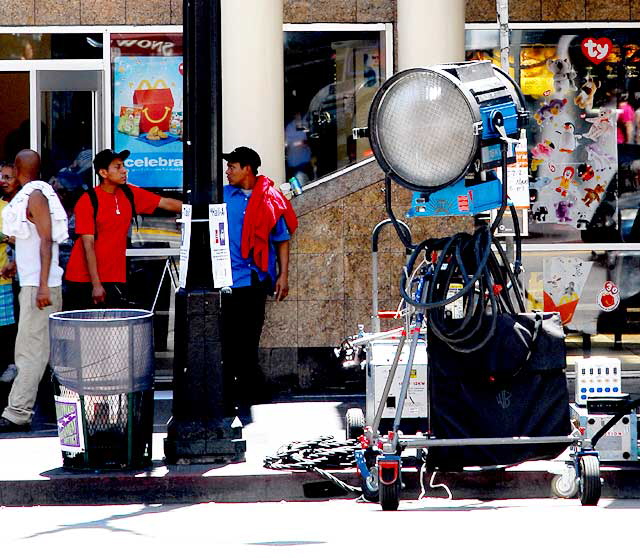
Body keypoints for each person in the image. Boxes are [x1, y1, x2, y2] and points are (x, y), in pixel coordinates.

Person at [221, 146, 298, 416]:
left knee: (249, 339)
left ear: (247, 169)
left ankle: (251, 393)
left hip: (254, 280)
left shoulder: (270, 198)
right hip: (226, 280)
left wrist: (283, 275)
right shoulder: (221, 196)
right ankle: (231, 392)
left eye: (232, 166)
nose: (228, 171)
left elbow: (282, 239)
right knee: (228, 341)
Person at [63, 149, 182, 309]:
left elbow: (165, 203)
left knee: (113, 330)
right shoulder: (88, 200)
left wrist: (200, 209)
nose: (124, 170)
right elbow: (88, 245)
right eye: (117, 167)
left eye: (123, 166)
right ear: (103, 173)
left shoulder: (129, 193)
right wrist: (96, 284)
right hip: (84, 279)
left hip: (114, 276)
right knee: (87, 330)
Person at [0, 149, 67, 432]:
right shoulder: (37, 192)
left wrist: (41, 285)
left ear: (17, 168)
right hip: (37, 281)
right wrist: (19, 268)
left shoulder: (35, 195)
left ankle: (17, 412)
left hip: (40, 286)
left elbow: (46, 240)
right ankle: (68, 406)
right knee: (47, 352)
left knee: (29, 351)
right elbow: (35, 240)